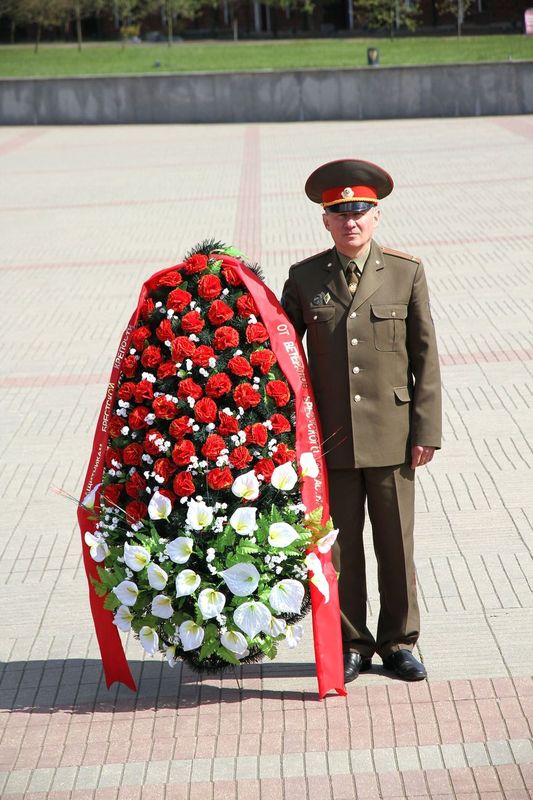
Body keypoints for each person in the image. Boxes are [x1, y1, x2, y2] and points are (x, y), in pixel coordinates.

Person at [281, 159, 442, 683]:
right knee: (341, 548)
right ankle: (351, 643)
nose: (350, 221)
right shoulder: (305, 278)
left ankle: (399, 642)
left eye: (360, 211)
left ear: (376, 216)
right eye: (340, 213)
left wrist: (426, 430)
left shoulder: (404, 271)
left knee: (396, 545)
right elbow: (283, 358)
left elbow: (425, 357)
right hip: (332, 439)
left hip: (394, 436)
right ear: (325, 220)